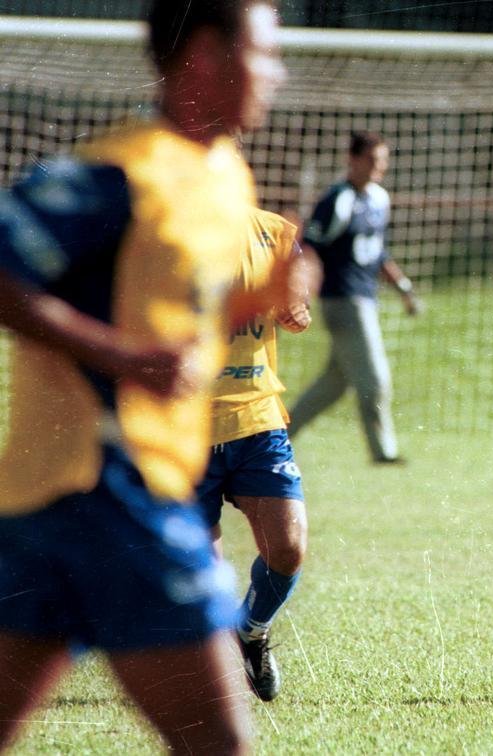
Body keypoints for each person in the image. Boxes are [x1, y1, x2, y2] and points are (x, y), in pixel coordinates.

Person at [0, 1, 296, 752]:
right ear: (205, 54)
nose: (278, 73)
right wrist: (122, 358)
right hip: (112, 490)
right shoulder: (119, 173)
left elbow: (174, 316)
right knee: (221, 744)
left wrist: (256, 301)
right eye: (265, 53)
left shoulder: (226, 176)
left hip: (57, 508)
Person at [197, 207, 313, 702]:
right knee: (202, 579)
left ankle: (252, 631)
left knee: (288, 548)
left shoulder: (274, 232)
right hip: (183, 429)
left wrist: (296, 307)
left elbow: (298, 297)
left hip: (257, 420)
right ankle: (212, 655)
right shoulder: (156, 223)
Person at [287, 131, 422, 464]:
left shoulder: (378, 199)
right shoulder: (337, 199)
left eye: (383, 161)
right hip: (343, 300)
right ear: (353, 159)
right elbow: (309, 247)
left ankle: (279, 435)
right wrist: (300, 291)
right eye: (372, 160)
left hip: (365, 298)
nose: (379, 167)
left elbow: (378, 254)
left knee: (333, 384)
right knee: (375, 379)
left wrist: (404, 288)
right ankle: (383, 452)